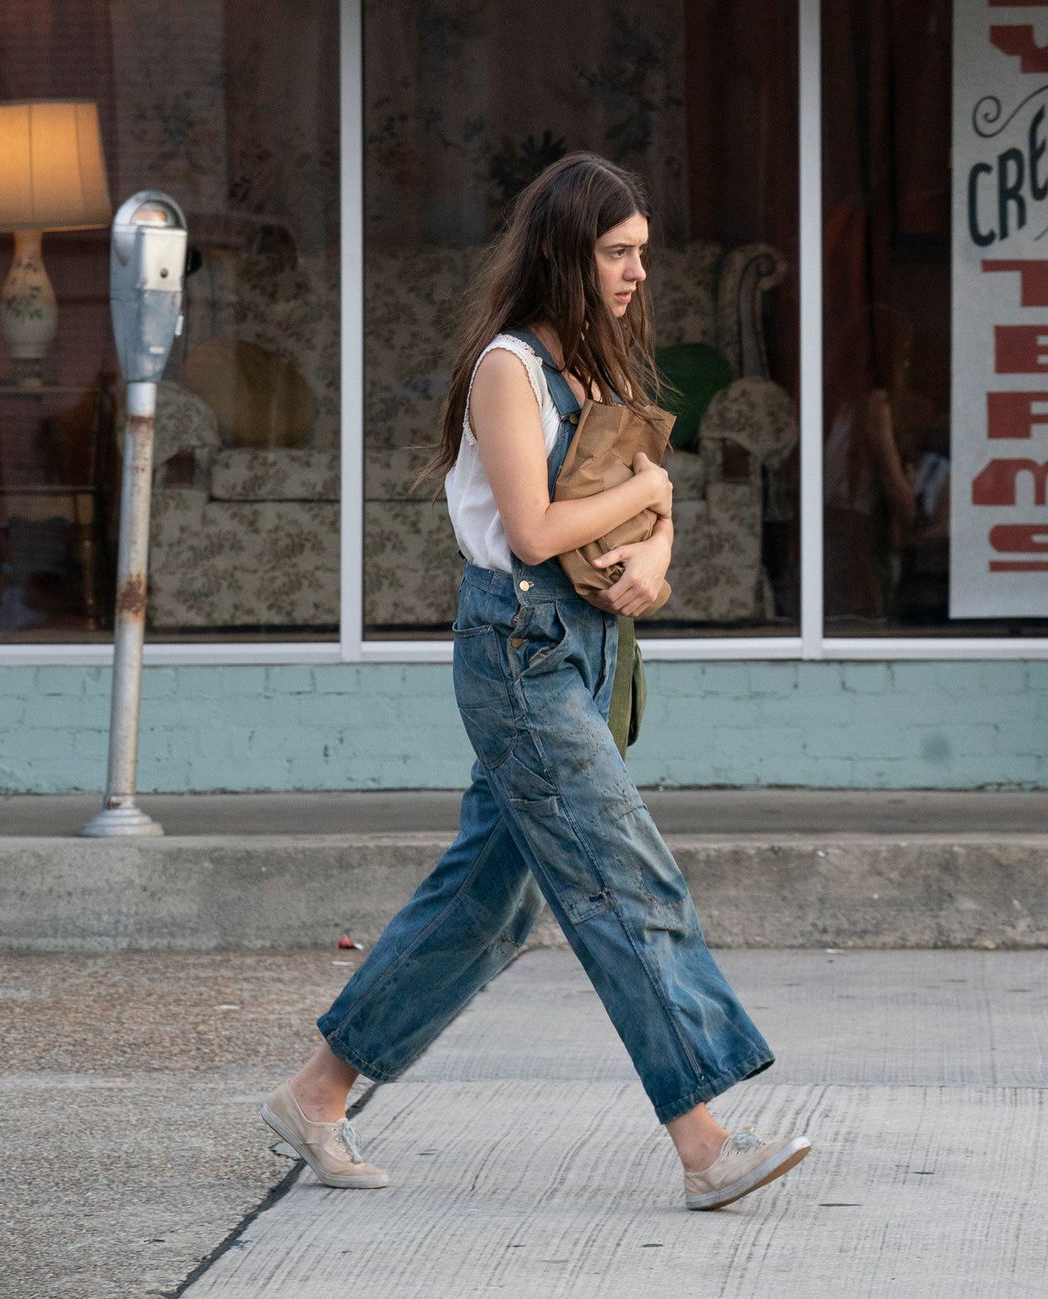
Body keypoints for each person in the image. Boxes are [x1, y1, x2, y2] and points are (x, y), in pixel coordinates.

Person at [261, 154, 808, 1212]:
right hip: (519, 651)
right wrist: (651, 485)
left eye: (643, 251)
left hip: (584, 646)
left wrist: (657, 551)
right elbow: (534, 529)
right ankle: (705, 1142)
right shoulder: (508, 368)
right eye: (618, 252)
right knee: (620, 877)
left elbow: (637, 512)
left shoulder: (594, 368)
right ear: (565, 252)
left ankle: (314, 1092)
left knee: (488, 902)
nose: (637, 271)